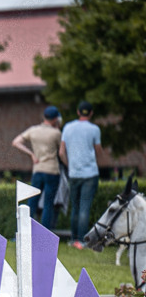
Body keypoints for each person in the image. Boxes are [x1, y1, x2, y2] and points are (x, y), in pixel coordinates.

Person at [59, 101, 102, 248]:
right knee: (85, 207)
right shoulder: (94, 129)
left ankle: (73, 239)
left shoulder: (68, 127)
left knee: (75, 207)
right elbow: (98, 150)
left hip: (74, 173)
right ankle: (82, 241)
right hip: (90, 173)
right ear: (91, 113)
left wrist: (69, 165)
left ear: (78, 112)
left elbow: (61, 152)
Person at [12, 105, 62, 229]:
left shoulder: (33, 130)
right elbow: (61, 151)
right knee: (48, 204)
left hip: (38, 169)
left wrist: (31, 154)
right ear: (56, 118)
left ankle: (25, 230)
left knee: (32, 202)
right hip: (52, 170)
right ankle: (44, 233)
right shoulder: (56, 133)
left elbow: (16, 142)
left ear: (44, 116)